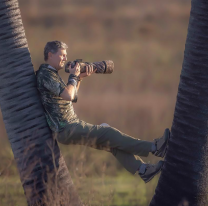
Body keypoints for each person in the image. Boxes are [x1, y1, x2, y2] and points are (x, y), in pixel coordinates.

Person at [36, 40, 170, 183]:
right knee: (109, 133)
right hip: (65, 127)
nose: (65, 59)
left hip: (71, 125)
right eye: (62, 55)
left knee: (110, 141)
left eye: (66, 55)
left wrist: (79, 78)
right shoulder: (45, 74)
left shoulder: (52, 74)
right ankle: (155, 147)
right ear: (50, 55)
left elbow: (71, 97)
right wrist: (73, 76)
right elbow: (68, 95)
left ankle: (143, 170)